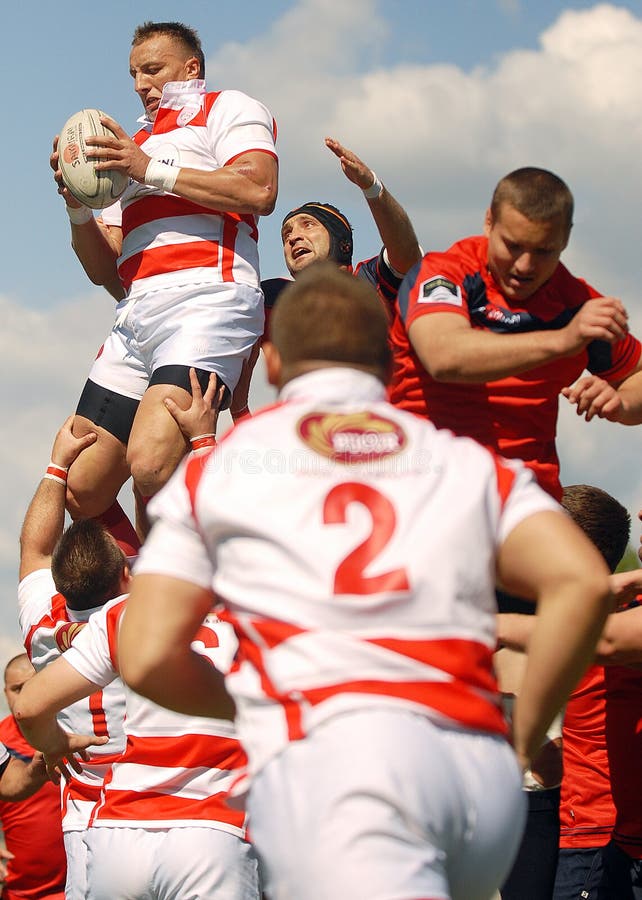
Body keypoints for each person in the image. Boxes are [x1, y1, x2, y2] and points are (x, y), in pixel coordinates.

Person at [119, 264, 612, 900]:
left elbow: (146, 652)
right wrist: (523, 734)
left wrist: (249, 704)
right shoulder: (459, 457)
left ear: (270, 362)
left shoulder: (228, 466)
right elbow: (584, 584)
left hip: (343, 759)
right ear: (387, 362)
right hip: (478, 776)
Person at [50, 20, 278, 518]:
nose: (139, 84)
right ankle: (136, 591)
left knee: (151, 465)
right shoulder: (128, 143)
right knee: (80, 488)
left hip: (207, 301)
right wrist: (78, 208)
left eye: (152, 70)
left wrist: (149, 169)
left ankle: (215, 573)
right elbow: (106, 273)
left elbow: (259, 191)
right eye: (133, 74)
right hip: (136, 315)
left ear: (190, 68)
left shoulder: (227, 107)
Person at [389, 166, 642, 499]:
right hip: (424, 481)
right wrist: (563, 340)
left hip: (525, 497)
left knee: (580, 554)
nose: (524, 266)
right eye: (513, 246)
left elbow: (635, 376)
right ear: (489, 222)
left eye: (543, 251)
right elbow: (444, 356)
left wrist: (621, 402)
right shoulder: (443, 273)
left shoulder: (577, 304)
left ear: (565, 238)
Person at [14, 598, 260, 900]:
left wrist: (55, 744)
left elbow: (28, 707)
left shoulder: (124, 611)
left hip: (119, 834)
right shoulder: (265, 609)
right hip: (214, 830)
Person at [497, 484, 642, 899]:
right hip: (576, 833)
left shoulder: (604, 629)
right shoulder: (597, 614)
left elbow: (546, 754)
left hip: (587, 836)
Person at [229, 137, 421, 420]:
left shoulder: (370, 280)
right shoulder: (272, 298)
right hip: (315, 441)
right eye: (286, 235)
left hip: (390, 431)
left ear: (342, 243)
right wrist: (239, 410)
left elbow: (406, 252)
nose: (293, 236)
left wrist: (371, 187)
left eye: (308, 225)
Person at [18, 421, 128, 900]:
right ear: (124, 574)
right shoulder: (142, 622)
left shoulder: (42, 627)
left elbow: (34, 548)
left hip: (84, 822)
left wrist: (57, 464)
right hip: (156, 810)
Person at [0, 655, 66, 900]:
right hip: (23, 892)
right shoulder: (1, 742)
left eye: (32, 685)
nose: (25, 695)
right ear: (5, 692)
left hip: (88, 885)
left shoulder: (76, 734)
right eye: (17, 688)